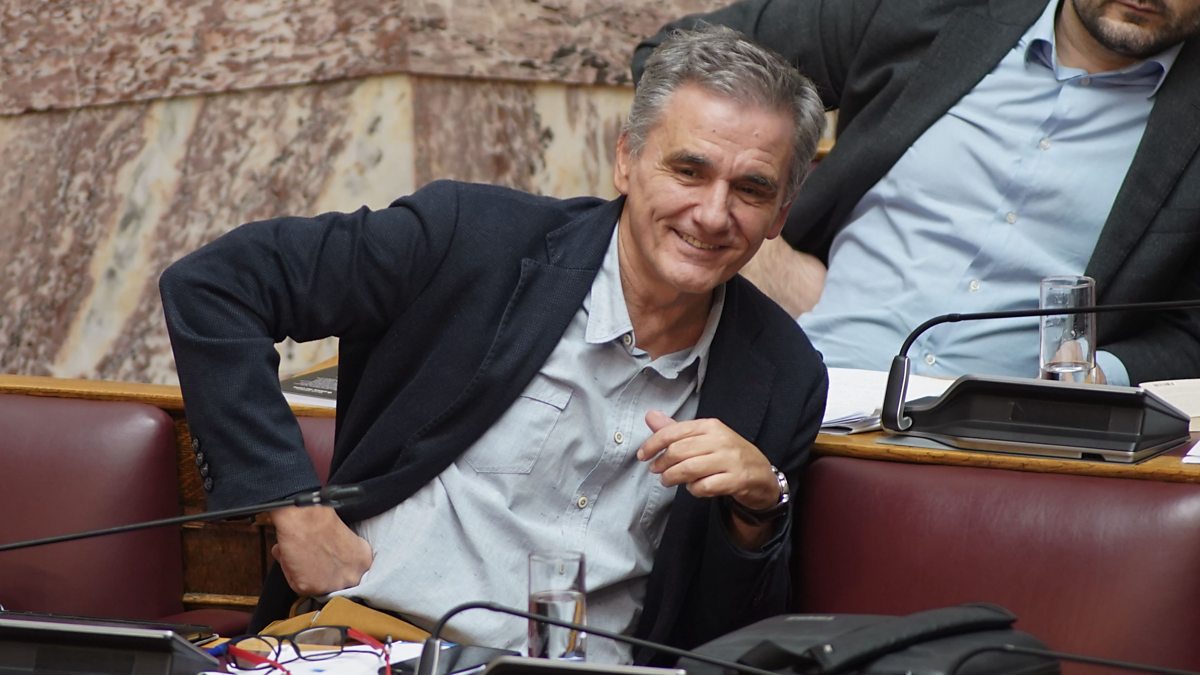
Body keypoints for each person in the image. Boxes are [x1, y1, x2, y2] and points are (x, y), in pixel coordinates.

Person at [160, 26, 828, 664]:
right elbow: (215, 287)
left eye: (750, 189)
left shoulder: (782, 375)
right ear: (626, 159)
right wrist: (295, 509)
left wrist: (757, 509)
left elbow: (729, 646)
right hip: (376, 643)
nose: (712, 213)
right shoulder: (471, 241)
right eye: (689, 170)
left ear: (782, 211)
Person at [633, 0, 1200, 386]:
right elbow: (675, 55)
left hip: (1017, 447)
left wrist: (1099, 377)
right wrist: (765, 254)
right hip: (803, 385)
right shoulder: (924, 12)